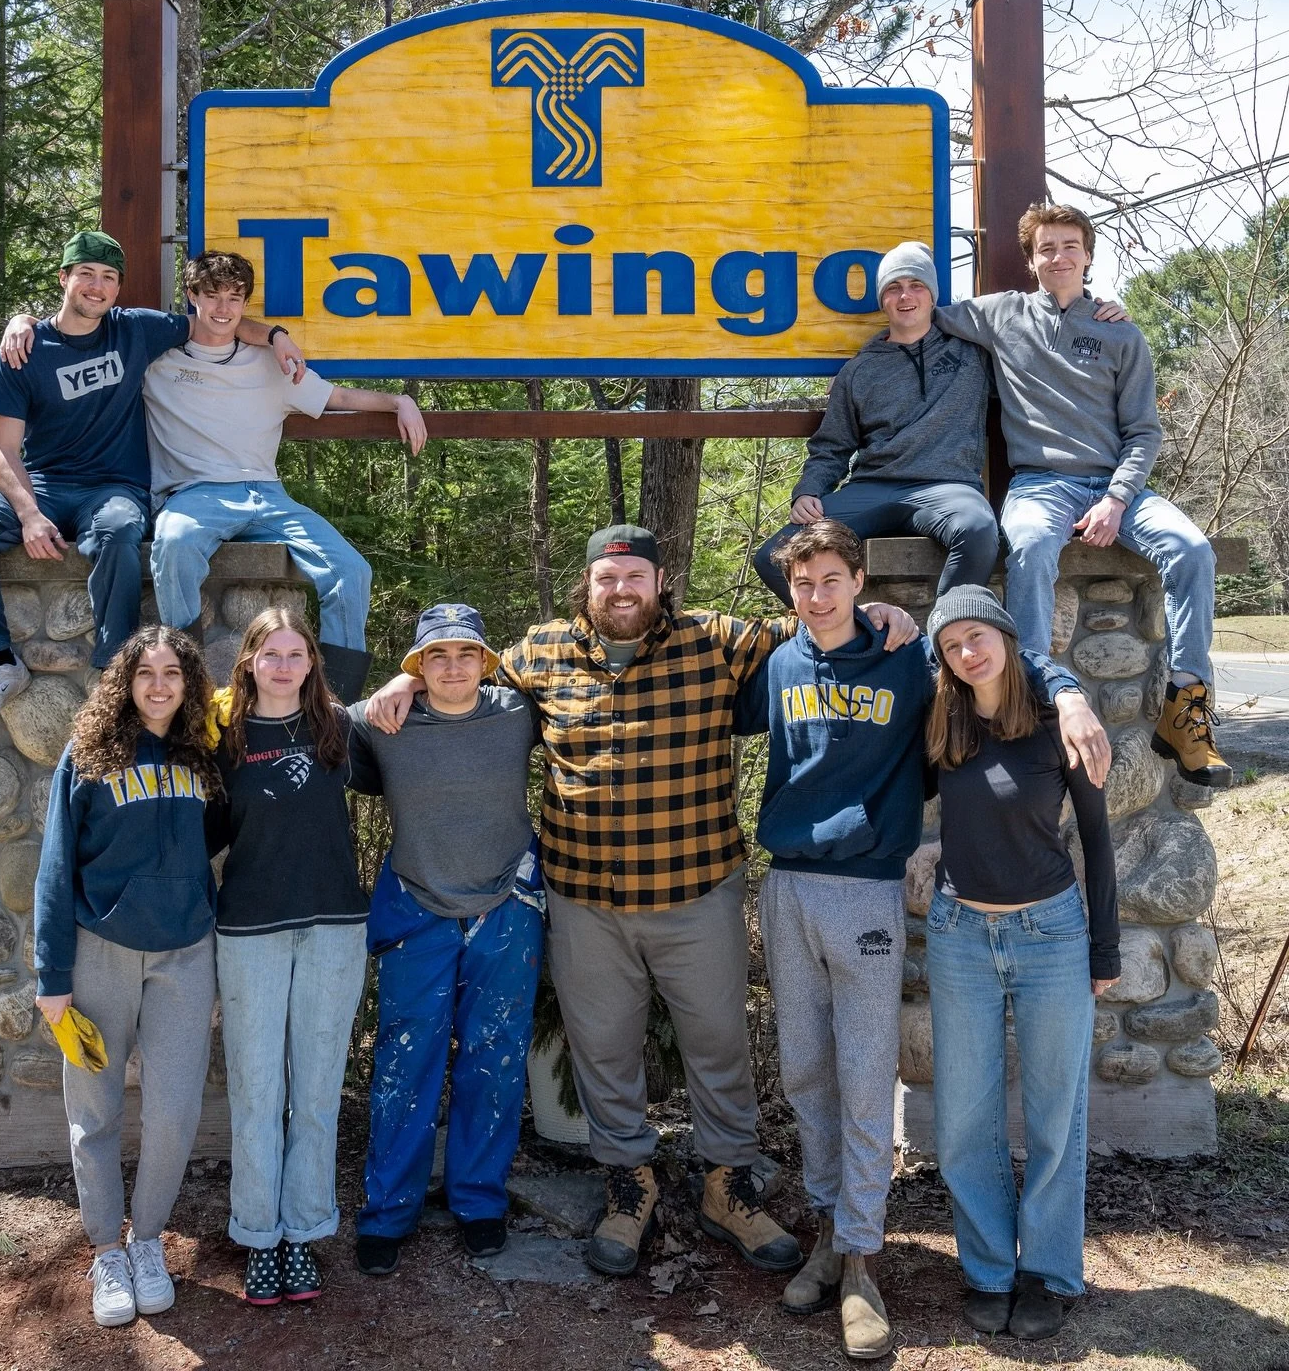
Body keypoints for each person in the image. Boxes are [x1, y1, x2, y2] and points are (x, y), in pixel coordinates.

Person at [365, 525, 924, 1282]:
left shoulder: (717, 641)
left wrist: (887, 612)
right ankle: (629, 1183)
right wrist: (403, 682)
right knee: (603, 1050)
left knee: (719, 1042)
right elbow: (464, 676)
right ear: (586, 585)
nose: (620, 590)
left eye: (634, 577)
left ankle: (728, 1184)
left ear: (661, 581)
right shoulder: (542, 653)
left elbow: (818, 619)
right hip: (585, 899)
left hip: (697, 892)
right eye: (605, 578)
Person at [734, 522, 1100, 1361]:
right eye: (803, 582)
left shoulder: (909, 659)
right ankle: (830, 1232)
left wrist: (1071, 687)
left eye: (833, 578)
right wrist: (808, 509)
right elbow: (762, 581)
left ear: (861, 581)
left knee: (866, 1074)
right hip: (786, 883)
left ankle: (864, 1258)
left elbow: (998, 659)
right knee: (804, 1069)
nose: (817, 595)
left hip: (865, 888)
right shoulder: (779, 660)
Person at [0, 231, 302, 726]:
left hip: (114, 488)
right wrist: (29, 515)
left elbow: (220, 322)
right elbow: (4, 449)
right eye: (86, 273)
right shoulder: (23, 350)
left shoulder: (136, 330)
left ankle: (113, 667)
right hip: (43, 484)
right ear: (64, 278)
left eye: (108, 277)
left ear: (117, 288)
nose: (97, 285)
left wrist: (278, 336)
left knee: (121, 529)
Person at [935, 202, 1229, 788]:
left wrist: (1117, 500)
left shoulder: (1121, 331)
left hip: (1119, 484)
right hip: (1042, 484)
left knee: (1193, 550)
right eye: (1047, 248)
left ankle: (1185, 711)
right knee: (1030, 544)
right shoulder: (1003, 316)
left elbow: (1145, 432)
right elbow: (925, 312)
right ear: (1031, 260)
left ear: (1088, 255)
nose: (1059, 256)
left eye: (1070, 246)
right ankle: (1034, 697)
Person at [923, 584, 1119, 1342]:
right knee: (965, 1117)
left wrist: (1105, 946)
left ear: (1006, 637)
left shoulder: (1057, 725)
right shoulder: (941, 718)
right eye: (951, 644)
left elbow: (1096, 841)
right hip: (959, 935)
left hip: (1052, 935)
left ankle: (1046, 1270)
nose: (967, 653)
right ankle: (987, 1270)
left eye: (979, 636)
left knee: (1053, 1114)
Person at [32, 625, 221, 1329]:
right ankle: (106, 1249)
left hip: (185, 954)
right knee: (96, 1111)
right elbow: (54, 868)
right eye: (146, 673)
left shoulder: (203, 756)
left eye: (174, 672)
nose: (160, 684)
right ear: (125, 681)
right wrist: (53, 979)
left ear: (189, 682)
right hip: (98, 950)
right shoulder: (85, 757)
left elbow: (219, 835)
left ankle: (148, 1241)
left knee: (174, 1111)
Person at [346, 603, 543, 1273]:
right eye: (437, 656)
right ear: (417, 665)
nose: (453, 667)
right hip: (417, 906)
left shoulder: (519, 714)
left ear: (487, 662)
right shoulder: (384, 722)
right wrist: (386, 689)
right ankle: (388, 1210)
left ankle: (479, 1201)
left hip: (507, 907)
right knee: (407, 1062)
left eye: (466, 654)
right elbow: (311, 719)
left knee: (495, 1057)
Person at [146, 251, 428, 702]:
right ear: (191, 295)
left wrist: (397, 402)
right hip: (194, 493)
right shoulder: (156, 361)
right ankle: (188, 684)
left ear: (244, 303)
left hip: (268, 496)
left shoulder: (270, 363)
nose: (223, 308)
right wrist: (25, 322)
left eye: (234, 298)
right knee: (174, 545)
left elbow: (333, 396)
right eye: (212, 296)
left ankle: (336, 705)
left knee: (350, 570)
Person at [206, 607, 368, 1306]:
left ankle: (304, 1229)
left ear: (311, 663)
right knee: (256, 1089)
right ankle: (258, 1236)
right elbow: (201, 834)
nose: (282, 664)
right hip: (251, 931)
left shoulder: (339, 729)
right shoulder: (223, 739)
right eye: (269, 652)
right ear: (248, 662)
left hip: (334, 927)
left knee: (317, 1089)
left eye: (295, 653)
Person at [754, 242, 999, 606]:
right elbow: (832, 447)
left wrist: (1095, 310)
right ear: (882, 300)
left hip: (948, 486)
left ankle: (944, 638)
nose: (905, 296)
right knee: (775, 557)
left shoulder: (972, 353)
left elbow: (1036, 333)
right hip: (873, 487)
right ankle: (860, 637)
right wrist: (807, 491)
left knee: (978, 529)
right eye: (893, 288)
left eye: (916, 285)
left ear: (932, 295)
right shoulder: (859, 371)